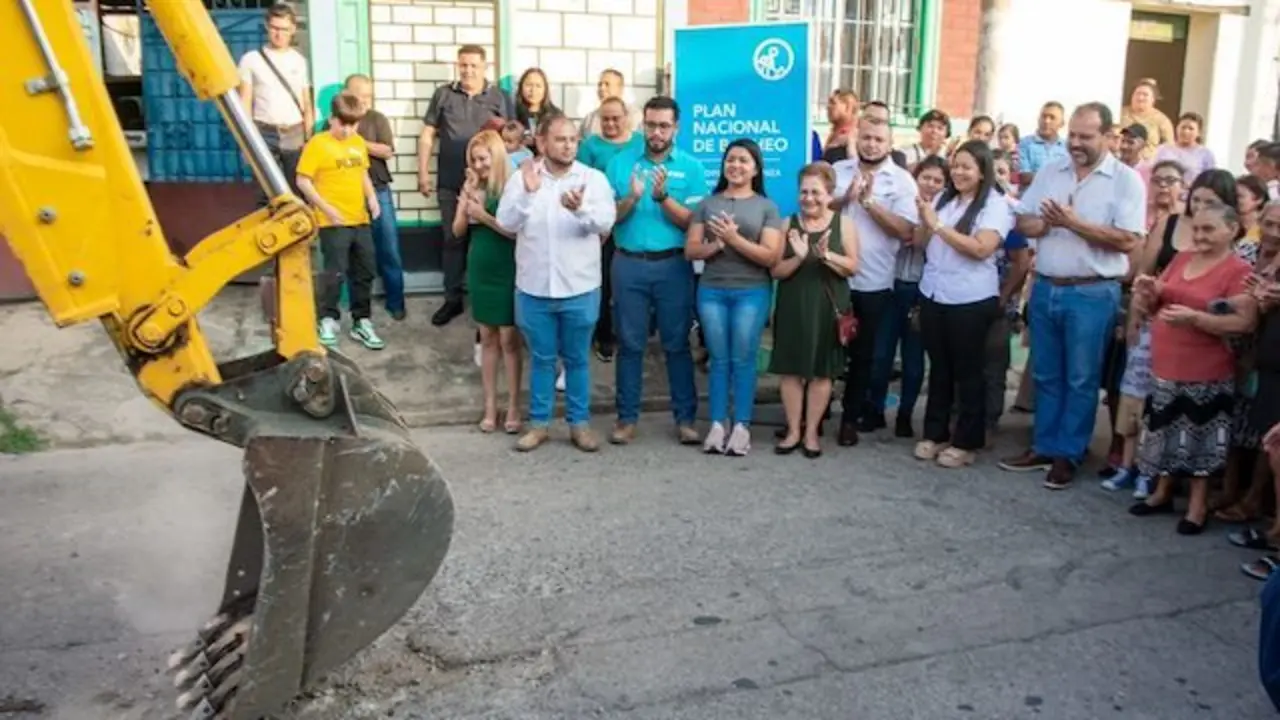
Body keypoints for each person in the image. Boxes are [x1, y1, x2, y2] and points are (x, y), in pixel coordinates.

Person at [998, 102, 1147, 490]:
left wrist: (1074, 223)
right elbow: (1024, 220)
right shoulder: (1051, 171)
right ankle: (1044, 446)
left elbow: (1128, 239)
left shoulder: (1126, 181)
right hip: (1048, 286)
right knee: (1047, 373)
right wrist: (1046, 222)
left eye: (1086, 137)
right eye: (1073, 136)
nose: (1076, 144)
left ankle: (1069, 453)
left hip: (1092, 291)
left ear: (1108, 136)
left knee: (1081, 379)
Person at [1129, 201, 1256, 534]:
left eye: (1208, 229)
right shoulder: (1182, 258)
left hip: (1206, 369)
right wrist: (1149, 292)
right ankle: (1162, 492)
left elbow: (1244, 322)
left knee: (1200, 436)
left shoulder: (1238, 270)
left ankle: (1197, 507)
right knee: (1165, 429)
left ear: (1232, 230)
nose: (1198, 235)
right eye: (1196, 228)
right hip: (1166, 363)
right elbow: (1161, 296)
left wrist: (1196, 318)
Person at [495, 114, 616, 453]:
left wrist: (580, 211)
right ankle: (540, 425)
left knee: (577, 359)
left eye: (573, 139)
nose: (568, 145)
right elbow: (506, 221)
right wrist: (530, 195)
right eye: (560, 139)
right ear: (542, 142)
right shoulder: (523, 178)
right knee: (542, 359)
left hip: (580, 287)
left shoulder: (593, 180)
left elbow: (606, 221)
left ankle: (579, 425)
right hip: (534, 288)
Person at [604, 96, 705, 445]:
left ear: (676, 128)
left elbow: (694, 222)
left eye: (664, 126)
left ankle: (686, 419)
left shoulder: (691, 168)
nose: (656, 132)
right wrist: (631, 198)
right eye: (651, 125)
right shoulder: (620, 164)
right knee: (630, 345)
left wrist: (663, 198)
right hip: (628, 263)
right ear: (642, 124)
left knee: (677, 344)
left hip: (674, 265)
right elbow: (608, 219)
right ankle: (626, 418)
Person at [912, 140, 1014, 468]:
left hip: (969, 298)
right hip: (934, 292)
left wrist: (938, 225)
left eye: (966, 167)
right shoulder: (944, 198)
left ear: (982, 171)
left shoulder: (996, 205)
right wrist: (924, 220)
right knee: (940, 367)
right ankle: (935, 432)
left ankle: (968, 440)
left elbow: (981, 248)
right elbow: (922, 242)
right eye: (955, 166)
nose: (958, 172)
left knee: (968, 371)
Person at [685, 139, 785, 455]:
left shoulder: (767, 207)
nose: (736, 166)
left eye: (744, 160)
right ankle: (717, 423)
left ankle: (741, 425)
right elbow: (691, 249)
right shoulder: (707, 203)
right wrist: (717, 245)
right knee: (719, 359)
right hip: (712, 290)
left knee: (743, 358)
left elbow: (770, 257)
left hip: (751, 293)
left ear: (755, 168)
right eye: (731, 159)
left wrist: (733, 238)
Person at [830, 117, 920, 445]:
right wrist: (844, 199)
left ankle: (851, 418)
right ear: (858, 138)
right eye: (866, 137)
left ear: (889, 144)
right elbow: (814, 207)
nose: (872, 144)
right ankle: (816, 414)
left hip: (873, 281)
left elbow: (905, 230)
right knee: (824, 349)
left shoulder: (902, 182)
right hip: (832, 276)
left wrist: (869, 204)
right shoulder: (838, 171)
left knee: (864, 355)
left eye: (879, 139)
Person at [418, 45, 513, 327]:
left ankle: (488, 300)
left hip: (491, 182)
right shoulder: (444, 95)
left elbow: (509, 138)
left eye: (473, 65)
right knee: (453, 239)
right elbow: (427, 135)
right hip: (450, 181)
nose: (468, 70)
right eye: (463, 65)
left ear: (485, 67)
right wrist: (423, 171)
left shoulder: (499, 97)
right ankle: (453, 299)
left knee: (490, 238)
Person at [769, 162, 859, 458]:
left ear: (830, 193)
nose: (809, 198)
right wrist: (799, 257)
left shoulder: (843, 224)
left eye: (816, 192)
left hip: (828, 306)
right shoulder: (787, 224)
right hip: (794, 304)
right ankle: (793, 430)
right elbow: (777, 271)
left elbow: (852, 267)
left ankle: (811, 433)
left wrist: (825, 255)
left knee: (822, 373)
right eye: (804, 191)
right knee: (791, 370)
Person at [295, 91, 383, 350]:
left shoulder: (357, 142)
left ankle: (361, 321)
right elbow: (303, 180)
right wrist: (325, 208)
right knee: (334, 272)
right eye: (342, 123)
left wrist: (372, 198)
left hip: (360, 218)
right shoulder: (318, 144)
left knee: (365, 270)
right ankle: (328, 318)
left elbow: (362, 173)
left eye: (353, 124)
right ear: (331, 119)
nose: (347, 130)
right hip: (332, 221)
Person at [867, 155, 946, 438]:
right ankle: (875, 409)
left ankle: (905, 415)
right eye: (926, 177)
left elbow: (924, 242)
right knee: (881, 355)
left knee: (914, 362)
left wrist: (924, 224)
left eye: (938, 181)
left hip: (920, 292)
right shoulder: (900, 201)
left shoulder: (944, 213)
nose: (931, 185)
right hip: (890, 285)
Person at [453, 130, 522, 435]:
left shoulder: (512, 186)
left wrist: (483, 215)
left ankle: (515, 405)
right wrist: (465, 199)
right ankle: (490, 406)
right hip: (479, 265)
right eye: (474, 160)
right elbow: (457, 231)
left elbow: (514, 231)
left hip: (507, 266)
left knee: (509, 339)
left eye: (483, 158)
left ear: (496, 155)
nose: (479, 165)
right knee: (488, 338)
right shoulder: (472, 187)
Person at [578, 97, 642, 363]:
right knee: (602, 281)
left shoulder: (640, 142)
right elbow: (581, 181)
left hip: (635, 222)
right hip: (601, 226)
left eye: (616, 118)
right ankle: (604, 335)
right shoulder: (591, 146)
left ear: (626, 117)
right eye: (605, 118)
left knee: (631, 284)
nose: (611, 123)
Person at [237, 3, 312, 205]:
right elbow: (245, 100)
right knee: (266, 191)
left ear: (293, 30)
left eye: (284, 29)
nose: (279, 34)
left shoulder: (299, 61)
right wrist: (246, 139)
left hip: (294, 132)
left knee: (297, 189)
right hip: (263, 131)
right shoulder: (250, 60)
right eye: (274, 28)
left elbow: (306, 101)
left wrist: (309, 136)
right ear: (266, 27)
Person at [345, 73, 406, 321]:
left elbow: (387, 151)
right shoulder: (337, 121)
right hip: (348, 194)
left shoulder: (377, 119)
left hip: (379, 190)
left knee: (389, 248)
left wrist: (359, 142)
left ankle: (396, 302)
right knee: (354, 254)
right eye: (359, 95)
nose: (364, 101)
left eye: (368, 96)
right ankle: (358, 307)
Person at [1154, 112, 1216, 186]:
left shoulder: (1205, 154)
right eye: (1183, 127)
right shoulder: (1162, 149)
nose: (1186, 131)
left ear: (1198, 133)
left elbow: (1209, 180)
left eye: (1191, 129)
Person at [1120, 78, 1175, 159]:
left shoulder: (1162, 120)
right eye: (1137, 94)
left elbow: (1169, 147)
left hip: (1148, 164)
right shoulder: (1120, 113)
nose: (1140, 98)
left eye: (1145, 95)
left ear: (1153, 99)